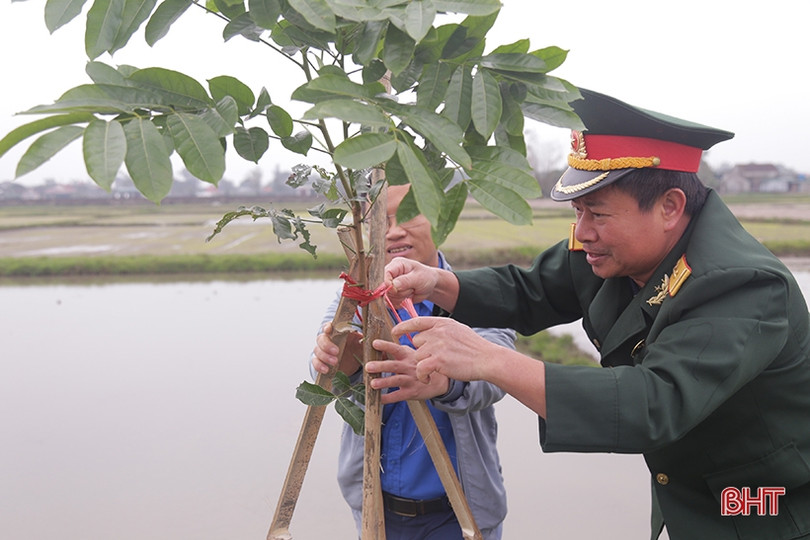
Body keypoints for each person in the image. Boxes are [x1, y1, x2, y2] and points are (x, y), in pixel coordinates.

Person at [369, 89, 810, 540]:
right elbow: (531, 290)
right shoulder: (612, 252)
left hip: (766, 512)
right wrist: (436, 282)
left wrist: (489, 359)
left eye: (597, 214)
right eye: (578, 211)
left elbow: (654, 402)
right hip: (692, 496)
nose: (582, 232)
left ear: (670, 207)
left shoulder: (742, 284)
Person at [311, 184, 516, 539]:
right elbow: (323, 373)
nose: (394, 232)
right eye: (380, 221)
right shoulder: (354, 303)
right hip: (378, 512)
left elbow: (496, 377)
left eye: (407, 215)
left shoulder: (474, 296)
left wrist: (443, 382)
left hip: (461, 514)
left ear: (438, 214)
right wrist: (337, 357)